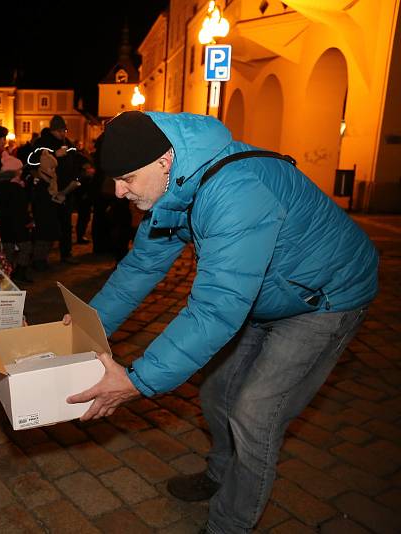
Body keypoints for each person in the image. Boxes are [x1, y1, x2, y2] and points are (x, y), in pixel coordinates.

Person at [66, 111, 378, 533]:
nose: (119, 192)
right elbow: (139, 268)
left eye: (127, 179)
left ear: (165, 161)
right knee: (215, 391)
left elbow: (216, 308)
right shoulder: (173, 187)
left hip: (323, 298)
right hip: (264, 293)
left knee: (254, 412)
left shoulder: (235, 191)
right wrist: (84, 330)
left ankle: (229, 525)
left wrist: (137, 380)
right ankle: (220, 473)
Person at [34, 115, 81, 264]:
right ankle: (40, 258)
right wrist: (55, 155)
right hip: (48, 192)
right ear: (53, 130)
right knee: (48, 225)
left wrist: (78, 174)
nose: (63, 133)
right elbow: (32, 161)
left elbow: (76, 160)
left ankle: (66, 254)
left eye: (64, 130)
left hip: (66, 190)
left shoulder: (68, 143)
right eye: (60, 131)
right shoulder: (42, 143)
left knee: (66, 223)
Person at [0, 152, 33, 284]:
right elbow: (21, 208)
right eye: (19, 169)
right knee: (25, 248)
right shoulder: (16, 188)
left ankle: (6, 275)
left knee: (7, 250)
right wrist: (28, 221)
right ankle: (20, 272)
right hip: (18, 224)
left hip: (4, 225)